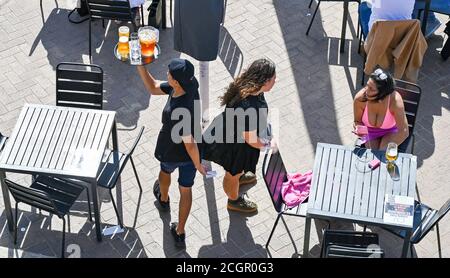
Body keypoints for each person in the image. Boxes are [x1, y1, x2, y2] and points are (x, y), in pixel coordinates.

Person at [137, 59, 206, 248]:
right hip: (190, 156)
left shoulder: (179, 110)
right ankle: (180, 231)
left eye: (169, 73)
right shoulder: (190, 84)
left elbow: (189, 143)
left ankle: (164, 199)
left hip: (174, 151)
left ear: (176, 81)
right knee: (186, 189)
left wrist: (198, 164)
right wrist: (140, 64)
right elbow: (153, 87)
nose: (166, 74)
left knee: (165, 172)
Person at [202, 58, 277, 213]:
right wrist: (269, 145)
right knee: (232, 174)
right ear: (264, 81)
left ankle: (240, 177)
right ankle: (234, 200)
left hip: (232, 134)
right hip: (234, 146)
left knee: (237, 172)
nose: (275, 81)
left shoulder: (249, 87)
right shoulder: (247, 106)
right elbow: (251, 140)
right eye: (273, 79)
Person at [353, 67, 409, 150]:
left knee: (382, 155)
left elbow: (404, 131)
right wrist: (359, 129)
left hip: (391, 132)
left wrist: (385, 149)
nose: (366, 91)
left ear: (383, 94)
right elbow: (357, 121)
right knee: (372, 157)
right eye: (367, 85)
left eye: (371, 89)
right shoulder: (360, 98)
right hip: (369, 133)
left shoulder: (395, 101)